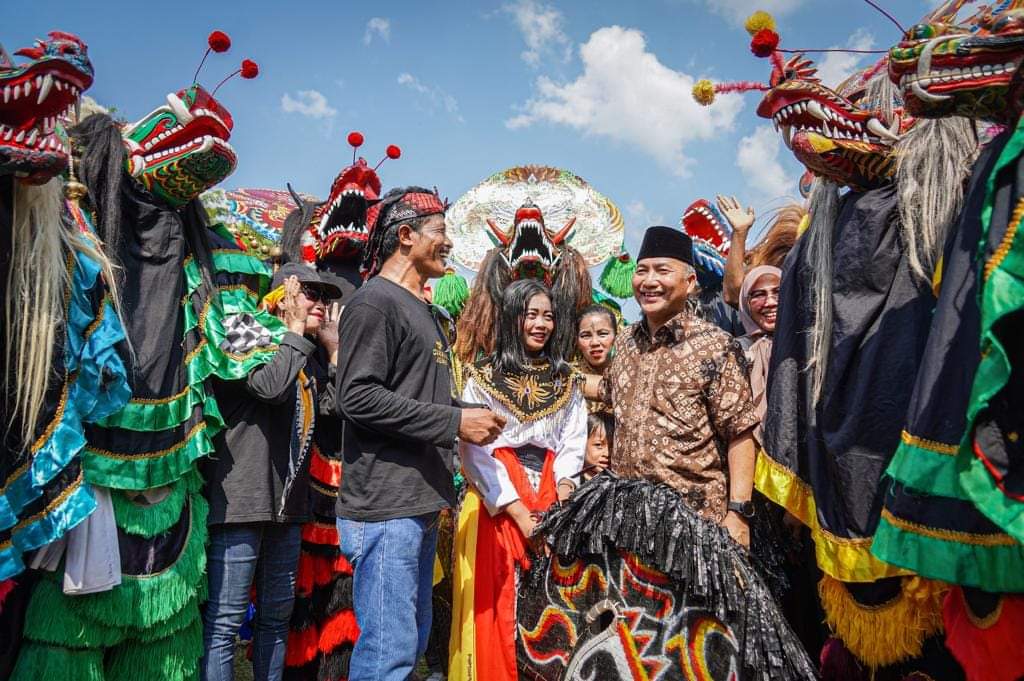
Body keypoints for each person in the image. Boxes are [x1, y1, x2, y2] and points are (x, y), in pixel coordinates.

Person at [334, 186, 505, 681]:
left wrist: (467, 415)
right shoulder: (374, 303)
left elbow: (413, 397)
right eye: (441, 233)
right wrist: (454, 423)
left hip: (420, 504)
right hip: (386, 508)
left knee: (408, 648)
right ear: (406, 236)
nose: (449, 243)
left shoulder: (423, 311)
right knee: (388, 655)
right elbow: (357, 397)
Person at [201, 263, 343, 681]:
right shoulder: (244, 328)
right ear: (283, 296)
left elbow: (333, 409)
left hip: (289, 508)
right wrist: (295, 331)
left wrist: (332, 356)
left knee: (275, 618)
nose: (320, 303)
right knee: (225, 623)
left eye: (324, 296)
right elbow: (269, 386)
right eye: (311, 293)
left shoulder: (306, 351)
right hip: (241, 502)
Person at [449, 278, 586, 681]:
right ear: (513, 318)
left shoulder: (567, 380)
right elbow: (475, 450)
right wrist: (519, 511)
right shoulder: (482, 377)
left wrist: (561, 497)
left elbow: (572, 444)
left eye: (548, 316)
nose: (540, 324)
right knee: (495, 602)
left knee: (550, 604)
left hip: (551, 496)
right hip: (495, 499)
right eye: (531, 314)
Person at [594, 226, 759, 548]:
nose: (650, 281)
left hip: (694, 523)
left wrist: (738, 513)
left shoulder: (715, 345)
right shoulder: (626, 341)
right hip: (627, 518)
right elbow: (608, 393)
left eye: (662, 271)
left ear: (690, 283)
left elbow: (741, 431)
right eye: (642, 271)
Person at [737, 266, 781, 444]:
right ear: (745, 304)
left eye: (778, 292)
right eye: (758, 295)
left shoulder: (810, 346)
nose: (770, 302)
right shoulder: (735, 352)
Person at [575, 304, 617, 413]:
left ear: (616, 337)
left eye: (602, 334)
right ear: (577, 341)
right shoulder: (566, 376)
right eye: (586, 335)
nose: (594, 342)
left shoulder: (626, 372)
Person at [583, 412, 614, 481]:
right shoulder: (571, 482)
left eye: (613, 446)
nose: (607, 454)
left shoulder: (621, 484)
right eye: (598, 445)